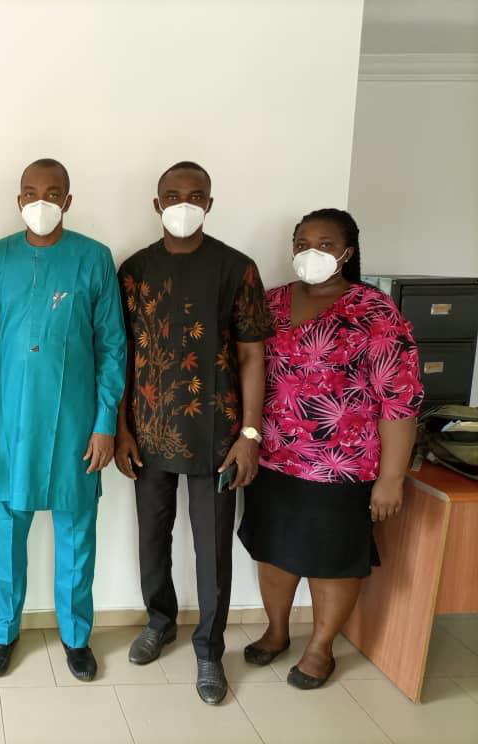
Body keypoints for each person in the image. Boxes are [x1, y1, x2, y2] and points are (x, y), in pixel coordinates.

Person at [237, 208, 422, 690]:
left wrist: (391, 479)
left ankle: (320, 648)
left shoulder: (375, 312)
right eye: (302, 243)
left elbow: (399, 400)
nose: (309, 252)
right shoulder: (270, 302)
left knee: (332, 560)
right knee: (273, 552)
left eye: (323, 243)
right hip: (272, 456)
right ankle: (277, 633)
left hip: (343, 466)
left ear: (347, 252)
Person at [115, 161, 273, 704]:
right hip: (149, 430)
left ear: (210, 202)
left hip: (218, 436)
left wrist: (249, 435)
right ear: (157, 204)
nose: (184, 203)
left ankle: (209, 651)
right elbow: (122, 358)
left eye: (195, 195)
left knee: (212, 549)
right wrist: (121, 430)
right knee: (151, 539)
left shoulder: (236, 268)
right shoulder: (133, 270)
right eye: (173, 195)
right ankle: (159, 620)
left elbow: (253, 356)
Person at [0, 159, 126, 681]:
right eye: (30, 192)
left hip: (76, 427)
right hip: (8, 426)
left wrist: (105, 422)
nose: (41, 200)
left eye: (53, 191)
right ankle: (2, 633)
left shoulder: (94, 259)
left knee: (77, 537)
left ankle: (77, 637)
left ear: (68, 199)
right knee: (6, 537)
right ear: (18, 200)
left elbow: (112, 347)